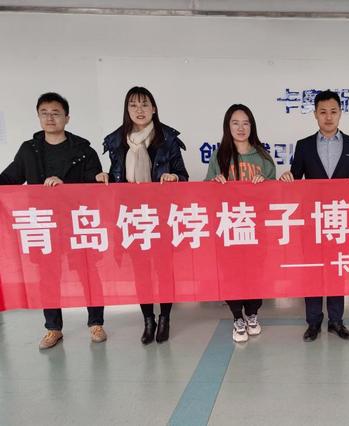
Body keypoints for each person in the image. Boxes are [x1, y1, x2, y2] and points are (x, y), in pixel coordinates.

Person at [0, 92, 107, 349]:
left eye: (56, 113)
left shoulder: (83, 150)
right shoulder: (29, 150)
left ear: (67, 118)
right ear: (38, 117)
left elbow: (95, 186)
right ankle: (53, 328)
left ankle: (96, 323)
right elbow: (10, 179)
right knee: (48, 277)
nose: (50, 118)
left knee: (88, 273)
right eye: (44, 113)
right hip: (44, 224)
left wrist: (67, 185)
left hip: (76, 222)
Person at [280, 90, 349, 342]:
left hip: (340, 220)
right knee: (312, 271)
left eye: (333, 111)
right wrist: (288, 177)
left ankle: (336, 321)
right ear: (315, 115)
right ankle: (313, 322)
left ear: (340, 113)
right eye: (323, 112)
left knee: (337, 269)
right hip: (311, 221)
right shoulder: (304, 145)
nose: (328, 117)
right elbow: (295, 178)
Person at [100, 86, 189, 344]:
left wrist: (174, 178)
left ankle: (165, 318)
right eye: (133, 105)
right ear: (127, 110)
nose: (139, 110)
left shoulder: (167, 139)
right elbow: (116, 177)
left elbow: (183, 176)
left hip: (161, 215)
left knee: (163, 270)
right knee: (141, 271)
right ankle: (148, 319)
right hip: (132, 216)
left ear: (154, 109)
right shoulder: (117, 141)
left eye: (144, 104)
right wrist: (105, 177)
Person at [206, 104, 276, 343]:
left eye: (246, 123)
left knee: (256, 272)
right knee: (232, 274)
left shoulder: (262, 157)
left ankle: (252, 314)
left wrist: (264, 183)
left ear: (252, 126)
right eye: (235, 123)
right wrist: (214, 182)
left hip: (256, 228)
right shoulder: (220, 156)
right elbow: (206, 192)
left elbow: (274, 194)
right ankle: (237, 317)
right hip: (229, 227)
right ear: (228, 126)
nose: (241, 128)